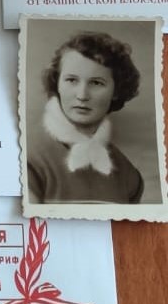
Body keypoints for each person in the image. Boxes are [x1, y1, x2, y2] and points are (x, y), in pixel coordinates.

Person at [27, 31, 143, 204]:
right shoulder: (28, 157)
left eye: (96, 83)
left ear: (116, 91)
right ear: (57, 84)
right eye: (71, 80)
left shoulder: (128, 175)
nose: (82, 95)